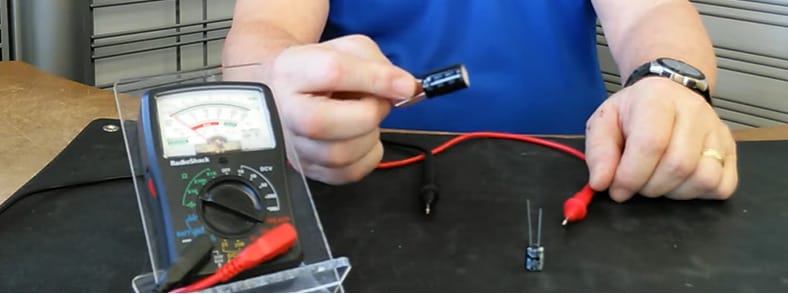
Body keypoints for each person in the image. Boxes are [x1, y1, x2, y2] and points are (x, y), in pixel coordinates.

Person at [221, 0, 738, 202]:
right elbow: (265, 30)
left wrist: (670, 84)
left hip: (578, 176)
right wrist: (274, 95)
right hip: (361, 178)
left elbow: (654, 13)